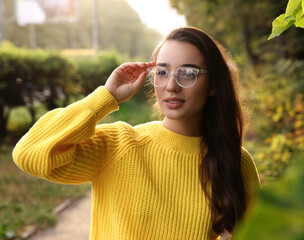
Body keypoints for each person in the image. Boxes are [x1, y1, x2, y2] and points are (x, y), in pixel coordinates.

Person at [13, 27, 260, 240]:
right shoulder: (120, 144)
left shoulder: (235, 162)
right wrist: (105, 97)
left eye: (188, 73)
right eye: (162, 72)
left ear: (214, 85)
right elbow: (29, 153)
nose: (171, 86)